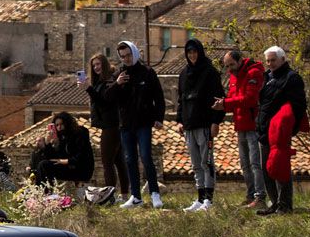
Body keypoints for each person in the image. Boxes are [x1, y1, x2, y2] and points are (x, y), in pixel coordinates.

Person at [109, 41, 166, 209]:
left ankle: (154, 193)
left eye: (128, 55)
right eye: (123, 56)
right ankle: (135, 196)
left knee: (146, 157)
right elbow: (108, 96)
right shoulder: (119, 74)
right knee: (130, 160)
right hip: (126, 124)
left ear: (134, 53)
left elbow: (159, 97)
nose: (126, 59)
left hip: (143, 123)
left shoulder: (148, 72)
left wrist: (159, 118)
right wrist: (117, 84)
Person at [255, 47, 307, 216]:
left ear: (283, 59)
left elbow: (298, 106)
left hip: (279, 132)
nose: (270, 64)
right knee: (267, 169)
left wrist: (289, 128)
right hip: (264, 130)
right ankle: (274, 203)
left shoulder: (292, 78)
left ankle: (284, 206)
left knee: (280, 168)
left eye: (273, 60)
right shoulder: (267, 77)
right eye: (268, 61)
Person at [177, 39, 226, 212]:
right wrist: (180, 121)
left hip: (205, 124)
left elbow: (218, 98)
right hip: (189, 125)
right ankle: (199, 198)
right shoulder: (184, 74)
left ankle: (209, 200)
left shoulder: (210, 72)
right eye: (189, 52)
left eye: (195, 52)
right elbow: (181, 99)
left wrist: (216, 121)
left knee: (207, 162)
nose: (192, 55)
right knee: (196, 164)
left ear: (200, 52)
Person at [214, 50, 266, 208]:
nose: (230, 68)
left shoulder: (254, 73)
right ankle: (251, 195)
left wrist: (227, 103)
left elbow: (250, 99)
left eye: (232, 65)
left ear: (240, 61)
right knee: (244, 163)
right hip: (240, 123)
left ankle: (260, 196)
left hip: (252, 123)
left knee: (255, 163)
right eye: (227, 66)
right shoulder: (233, 76)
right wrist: (223, 102)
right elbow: (232, 97)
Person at [82, 54, 129, 202]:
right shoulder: (100, 81)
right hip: (110, 125)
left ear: (105, 64)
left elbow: (104, 101)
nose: (96, 67)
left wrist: (89, 88)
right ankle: (124, 195)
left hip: (111, 125)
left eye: (98, 64)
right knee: (118, 161)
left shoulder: (110, 79)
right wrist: (90, 87)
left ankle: (110, 195)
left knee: (107, 161)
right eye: (94, 65)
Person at [32, 111, 95, 186]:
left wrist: (65, 161)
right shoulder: (62, 138)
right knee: (42, 164)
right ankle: (41, 192)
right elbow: (53, 157)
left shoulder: (81, 132)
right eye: (57, 125)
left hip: (81, 170)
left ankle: (45, 193)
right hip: (68, 168)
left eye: (62, 124)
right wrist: (48, 143)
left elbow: (83, 155)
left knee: (44, 165)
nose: (59, 127)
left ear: (67, 123)